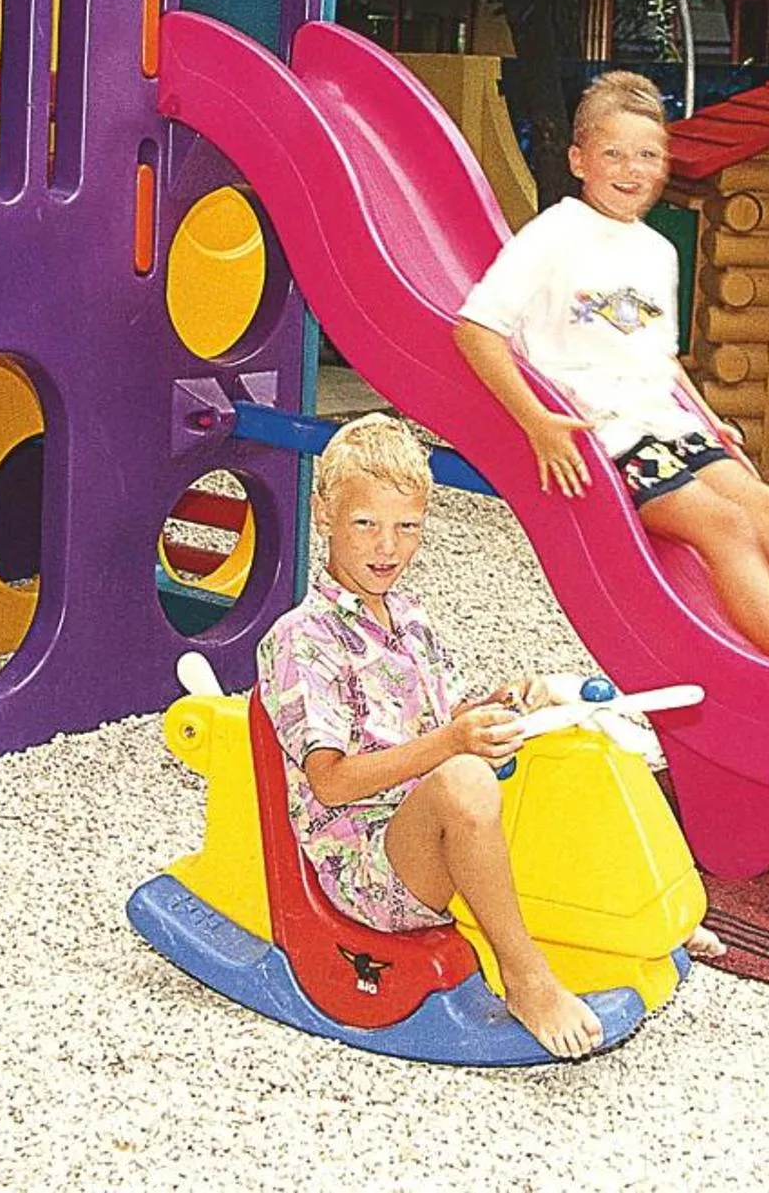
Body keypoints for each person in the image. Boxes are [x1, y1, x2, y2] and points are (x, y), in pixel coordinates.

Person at [452, 70, 769, 765]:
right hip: (606, 438)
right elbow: (474, 327)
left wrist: (707, 420)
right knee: (726, 525)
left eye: (647, 156)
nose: (631, 171)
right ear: (579, 160)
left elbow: (661, 360)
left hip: (665, 426)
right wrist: (536, 423)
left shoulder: (655, 248)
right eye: (612, 154)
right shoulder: (555, 234)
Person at [252, 414, 605, 1060]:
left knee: (570, 745)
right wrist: (453, 743)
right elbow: (328, 779)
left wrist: (498, 705)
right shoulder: (301, 639)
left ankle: (632, 919)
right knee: (468, 774)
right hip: (364, 866)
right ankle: (525, 977)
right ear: (324, 512)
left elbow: (447, 713)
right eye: (365, 523)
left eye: (406, 526)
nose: (386, 546)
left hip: (425, 823)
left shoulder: (411, 618)